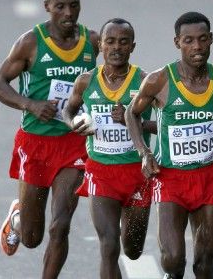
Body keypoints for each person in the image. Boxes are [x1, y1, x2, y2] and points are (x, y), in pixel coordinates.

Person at [125, 11, 213, 279]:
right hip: (171, 179)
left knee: (204, 264)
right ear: (177, 42)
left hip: (209, 178)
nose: (197, 47)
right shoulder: (160, 80)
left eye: (202, 39)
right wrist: (144, 152)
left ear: (211, 40)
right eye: (189, 40)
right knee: (173, 260)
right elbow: (130, 113)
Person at [0, 0, 99, 278]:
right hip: (36, 143)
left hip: (73, 143)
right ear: (47, 7)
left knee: (60, 224)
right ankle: (17, 218)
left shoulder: (91, 41)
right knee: (32, 237)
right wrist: (31, 104)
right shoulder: (30, 42)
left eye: (73, 6)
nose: (68, 13)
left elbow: (105, 80)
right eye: (60, 7)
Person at [62, 18, 154, 279]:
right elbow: (69, 110)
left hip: (137, 173)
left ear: (132, 46)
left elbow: (167, 124)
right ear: (100, 46)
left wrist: (134, 119)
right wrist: (74, 123)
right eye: (110, 42)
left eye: (123, 42)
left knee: (133, 250)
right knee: (109, 245)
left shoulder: (146, 81)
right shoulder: (85, 81)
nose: (117, 47)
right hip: (101, 171)